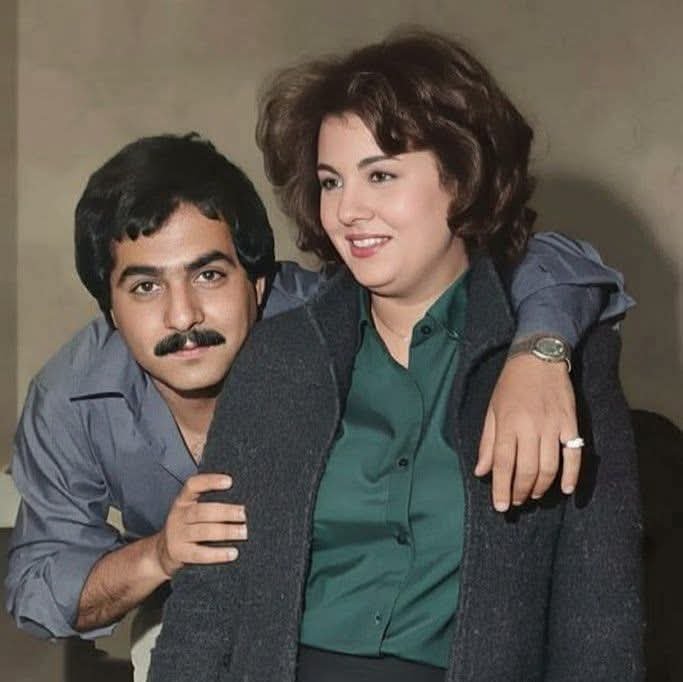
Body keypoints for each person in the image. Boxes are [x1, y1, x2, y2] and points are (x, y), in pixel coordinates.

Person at [6, 134, 628, 680]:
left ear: (258, 282)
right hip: (189, 598)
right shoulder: (70, 397)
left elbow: (552, 262)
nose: (183, 315)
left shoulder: (322, 317)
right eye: (145, 286)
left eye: (209, 275)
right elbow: (38, 587)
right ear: (110, 311)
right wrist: (161, 554)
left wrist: (540, 352)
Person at [150, 30, 643, 681]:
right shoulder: (278, 359)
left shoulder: (563, 363)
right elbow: (209, 602)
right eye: (330, 182)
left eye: (380, 175)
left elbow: (599, 618)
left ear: (461, 178)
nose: (347, 210)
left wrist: (541, 357)